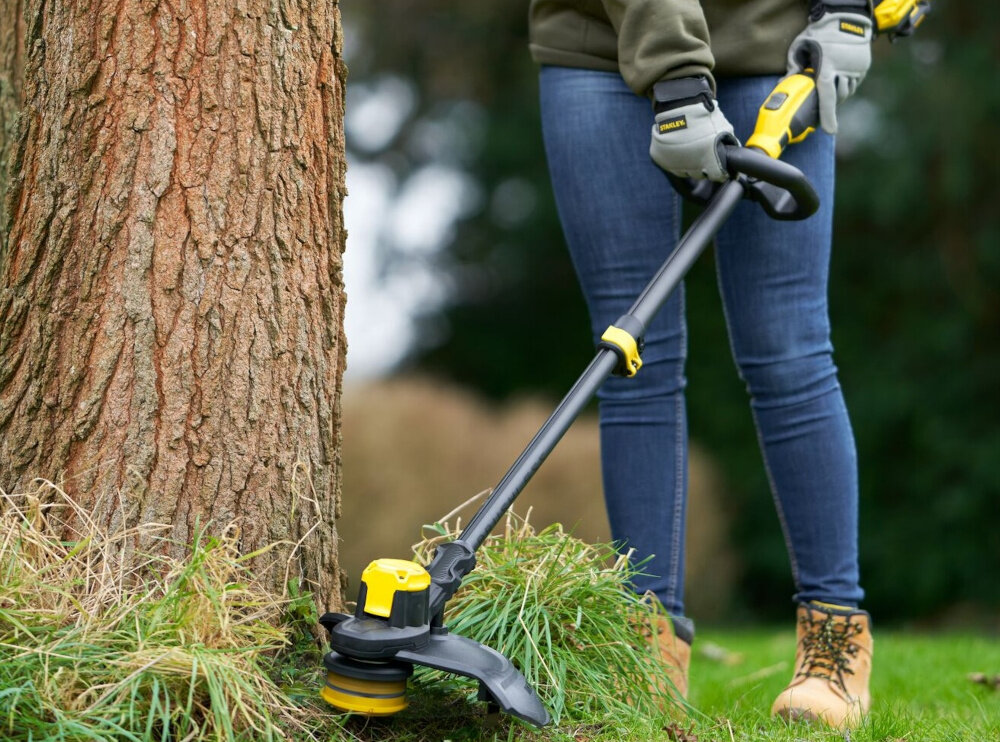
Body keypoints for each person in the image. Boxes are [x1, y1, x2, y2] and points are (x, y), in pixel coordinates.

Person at [528, 0, 882, 728]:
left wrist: (849, 10)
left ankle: (835, 650)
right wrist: (678, 78)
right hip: (604, 46)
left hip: (771, 47)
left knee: (789, 352)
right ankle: (646, 652)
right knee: (636, 360)